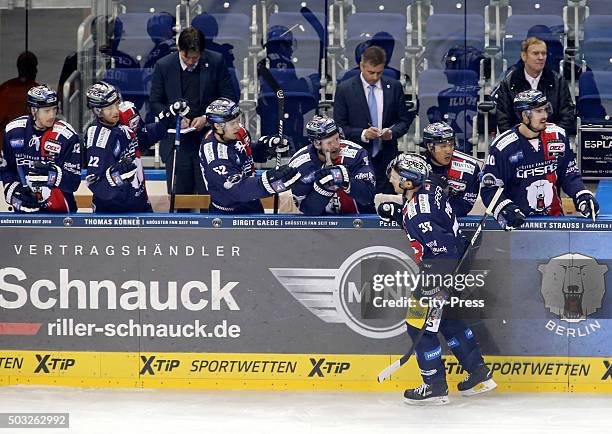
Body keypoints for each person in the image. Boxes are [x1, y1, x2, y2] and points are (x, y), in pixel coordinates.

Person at [377, 153, 496, 405]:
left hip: (439, 270)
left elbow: (440, 247)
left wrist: (436, 287)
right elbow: (435, 219)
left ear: (408, 182)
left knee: (417, 325)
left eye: (396, 175)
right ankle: (478, 373)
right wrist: (400, 213)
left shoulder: (420, 215)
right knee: (449, 321)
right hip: (453, 263)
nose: (391, 177)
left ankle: (434, 385)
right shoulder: (431, 187)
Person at [481, 90, 598, 231]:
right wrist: (505, 208)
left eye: (545, 110)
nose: (545, 115)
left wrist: (581, 194)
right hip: (519, 225)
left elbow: (569, 174)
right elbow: (489, 189)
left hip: (554, 221)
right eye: (538, 111)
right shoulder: (503, 147)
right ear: (524, 115)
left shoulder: (557, 135)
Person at [150, 26, 237, 200]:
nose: (190, 62)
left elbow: (229, 97)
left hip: (209, 139)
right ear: (179, 49)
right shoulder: (164, 65)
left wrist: (207, 118)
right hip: (177, 142)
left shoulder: (216, 62)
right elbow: (155, 101)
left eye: (195, 58)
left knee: (211, 196)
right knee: (179, 198)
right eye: (186, 57)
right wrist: (175, 118)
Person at [84, 81, 189, 213]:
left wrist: (167, 117)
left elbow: (143, 138)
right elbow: (96, 184)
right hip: (111, 211)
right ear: (97, 111)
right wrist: (117, 176)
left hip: (140, 202)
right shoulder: (97, 138)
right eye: (109, 108)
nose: (116, 111)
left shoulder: (128, 112)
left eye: (116, 104)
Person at [334, 46, 413, 194]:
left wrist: (391, 132)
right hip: (357, 159)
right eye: (371, 72)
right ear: (361, 66)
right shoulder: (345, 89)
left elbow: (404, 120)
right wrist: (363, 134)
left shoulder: (394, 87)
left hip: (387, 158)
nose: (375, 77)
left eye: (379, 72)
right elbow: (339, 126)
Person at [199, 97, 299, 214]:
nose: (238, 126)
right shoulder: (215, 157)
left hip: (252, 202)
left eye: (238, 120)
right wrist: (270, 180)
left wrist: (266, 148)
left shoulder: (236, 132)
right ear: (217, 126)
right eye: (233, 123)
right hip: (228, 213)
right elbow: (238, 190)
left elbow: (246, 153)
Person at [1, 85, 81, 213]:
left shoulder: (67, 136)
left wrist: (54, 175)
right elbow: (6, 169)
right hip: (25, 210)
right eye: (47, 111)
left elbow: (73, 182)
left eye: (54, 109)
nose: (52, 115)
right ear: (33, 110)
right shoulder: (12, 131)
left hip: (60, 212)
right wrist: (14, 193)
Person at [288, 115, 376, 215]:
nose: (336, 145)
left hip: (358, 221)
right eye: (329, 143)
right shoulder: (299, 165)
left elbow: (368, 197)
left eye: (337, 139)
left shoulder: (356, 154)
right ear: (317, 144)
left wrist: (347, 181)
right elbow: (306, 210)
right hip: (320, 225)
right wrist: (323, 189)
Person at [493, 36, 575, 135]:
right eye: (536, 53)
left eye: (543, 53)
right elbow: (504, 120)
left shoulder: (558, 81)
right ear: (524, 56)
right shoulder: (509, 83)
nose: (541, 57)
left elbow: (567, 115)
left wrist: (552, 136)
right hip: (519, 142)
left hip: (552, 140)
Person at [422, 122, 481, 217]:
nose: (449, 151)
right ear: (429, 146)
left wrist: (442, 214)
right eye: (443, 146)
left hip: (454, 219)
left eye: (451, 145)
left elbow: (465, 204)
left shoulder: (469, 168)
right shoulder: (417, 167)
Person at [0, 51, 39, 151]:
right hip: (27, 146)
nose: (36, 71)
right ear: (33, 70)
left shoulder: (5, 88)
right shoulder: (39, 91)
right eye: (34, 68)